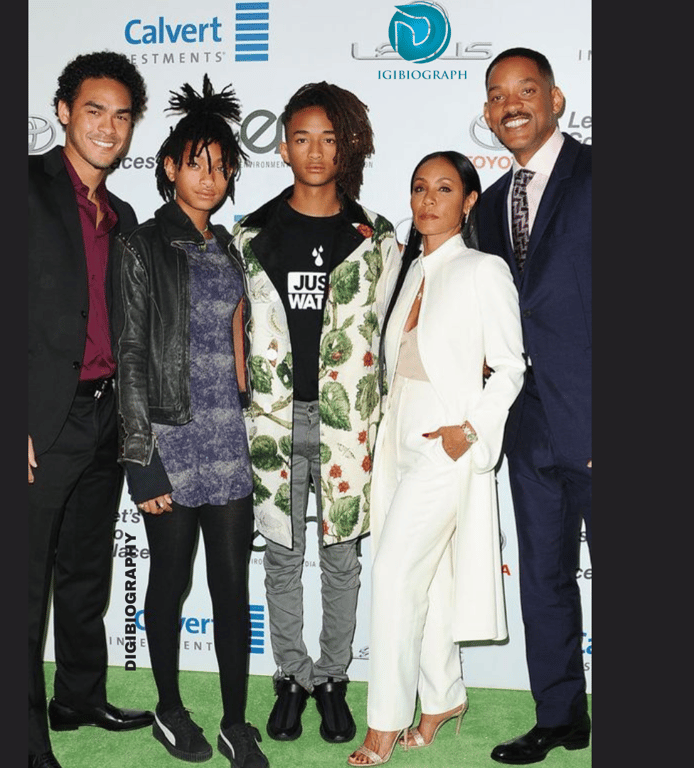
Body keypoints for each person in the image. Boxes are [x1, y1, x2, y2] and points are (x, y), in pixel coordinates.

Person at [232, 82, 399, 746]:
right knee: (279, 556)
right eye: (302, 137)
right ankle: (291, 677)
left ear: (346, 145)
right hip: (273, 421)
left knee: (340, 558)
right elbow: (234, 327)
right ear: (283, 146)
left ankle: (333, 679)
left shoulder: (374, 236)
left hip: (345, 424)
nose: (316, 151)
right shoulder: (252, 234)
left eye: (330, 137)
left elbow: (392, 332)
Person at [110, 75, 268, 768]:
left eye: (221, 164)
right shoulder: (140, 245)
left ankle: (236, 720)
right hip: (169, 444)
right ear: (169, 168)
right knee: (169, 586)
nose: (210, 175)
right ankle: (171, 709)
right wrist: (141, 461)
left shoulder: (230, 246)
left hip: (227, 441)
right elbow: (131, 355)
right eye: (195, 162)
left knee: (233, 587)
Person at [347, 151, 525, 766]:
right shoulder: (405, 266)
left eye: (444, 189)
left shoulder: (483, 269)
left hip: (446, 446)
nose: (427, 200)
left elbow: (509, 367)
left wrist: (469, 430)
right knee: (430, 579)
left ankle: (384, 724)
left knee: (395, 575)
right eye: (419, 187)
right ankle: (443, 696)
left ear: (469, 201)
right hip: (395, 440)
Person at [28, 51, 152, 768]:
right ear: (65, 111)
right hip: (42, 419)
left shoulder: (121, 213)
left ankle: (77, 695)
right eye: (94, 111)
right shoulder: (22, 186)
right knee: (24, 585)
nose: (108, 127)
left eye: (122, 115)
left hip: (105, 417)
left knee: (83, 572)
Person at [477, 47, 592, 764]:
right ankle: (561, 717)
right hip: (528, 425)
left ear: (555, 98)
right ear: (488, 113)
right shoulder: (488, 207)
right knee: (544, 578)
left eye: (526, 89)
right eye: (497, 94)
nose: (511, 103)